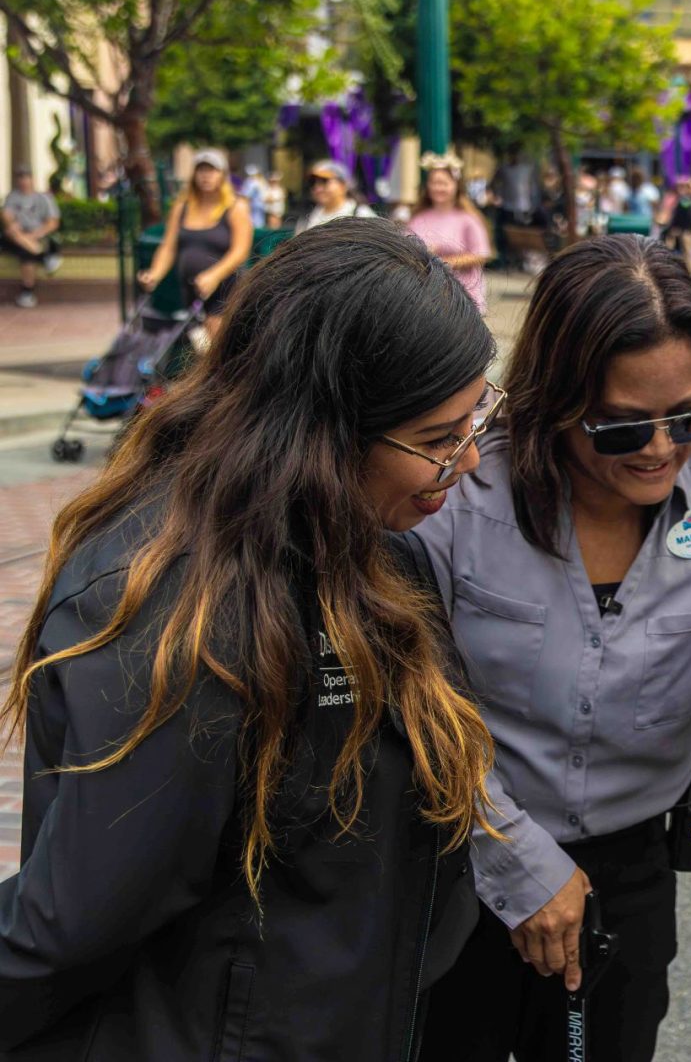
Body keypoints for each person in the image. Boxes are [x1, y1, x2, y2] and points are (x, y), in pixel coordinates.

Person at [0, 219, 501, 1058]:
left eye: (475, 419)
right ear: (320, 433)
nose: (471, 461)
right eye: (439, 440)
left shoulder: (372, 552)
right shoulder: (176, 608)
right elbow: (77, 918)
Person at [415, 234, 691, 1062]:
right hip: (458, 858)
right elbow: (409, 699)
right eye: (621, 428)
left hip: (631, 877)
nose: (659, 449)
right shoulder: (460, 497)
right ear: (559, 399)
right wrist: (518, 863)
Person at [136, 149, 253, 339]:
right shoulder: (182, 206)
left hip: (224, 289)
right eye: (201, 170)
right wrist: (154, 274)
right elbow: (168, 246)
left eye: (212, 170)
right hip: (192, 291)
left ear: (222, 174)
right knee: (198, 345)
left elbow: (240, 251)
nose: (206, 176)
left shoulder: (236, 207)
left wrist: (214, 275)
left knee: (216, 343)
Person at [409, 152, 494, 311]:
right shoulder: (417, 218)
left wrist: (445, 262)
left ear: (456, 185)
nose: (438, 188)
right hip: (425, 292)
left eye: (444, 183)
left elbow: (482, 253)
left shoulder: (468, 219)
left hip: (462, 293)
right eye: (434, 183)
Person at [2, 166, 62, 309]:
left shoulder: (44, 198)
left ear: (32, 179)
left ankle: (27, 293)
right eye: (20, 178)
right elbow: (7, 216)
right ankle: (43, 257)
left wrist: (35, 235)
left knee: (27, 253)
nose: (24, 181)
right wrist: (13, 225)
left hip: (36, 236)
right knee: (12, 232)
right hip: (17, 236)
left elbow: (53, 222)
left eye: (26, 177)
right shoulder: (12, 197)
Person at [297, 158, 376, 233]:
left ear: (343, 185)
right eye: (312, 182)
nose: (318, 188)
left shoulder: (360, 214)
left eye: (324, 181)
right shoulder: (307, 217)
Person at [241, 163, 269, 228]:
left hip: (254, 205)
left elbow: (247, 194)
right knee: (259, 222)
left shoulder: (252, 182)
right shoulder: (261, 181)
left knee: (255, 223)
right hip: (260, 205)